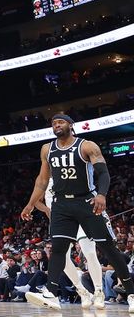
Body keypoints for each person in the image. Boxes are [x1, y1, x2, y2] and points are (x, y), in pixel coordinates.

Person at [21, 114, 134, 311]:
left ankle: (131, 292)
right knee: (58, 248)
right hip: (61, 205)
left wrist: (101, 194)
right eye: (53, 123)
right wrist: (30, 204)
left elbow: (104, 173)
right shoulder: (47, 149)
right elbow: (42, 180)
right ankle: (51, 293)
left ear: (71, 125)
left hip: (87, 201)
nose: (56, 125)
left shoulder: (87, 146)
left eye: (61, 122)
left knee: (108, 249)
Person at [22, 174, 105, 309]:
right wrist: (46, 209)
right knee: (62, 258)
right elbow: (36, 200)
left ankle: (99, 291)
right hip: (60, 220)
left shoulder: (70, 171)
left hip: (79, 215)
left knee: (89, 252)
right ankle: (82, 292)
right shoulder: (44, 177)